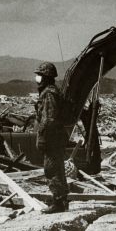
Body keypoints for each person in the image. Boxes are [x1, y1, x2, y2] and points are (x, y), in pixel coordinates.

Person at [33, 62, 69, 213]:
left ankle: (58, 203)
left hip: (52, 138)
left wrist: (42, 138)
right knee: (57, 169)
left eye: (39, 76)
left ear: (46, 77)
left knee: (52, 169)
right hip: (56, 137)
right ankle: (61, 201)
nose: (37, 79)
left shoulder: (48, 94)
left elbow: (49, 120)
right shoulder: (52, 91)